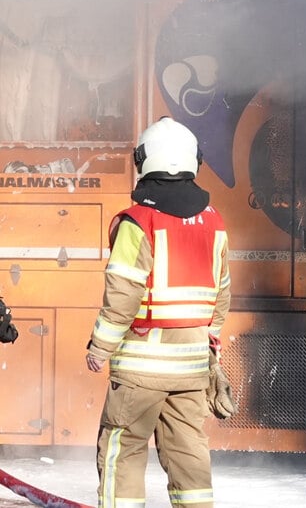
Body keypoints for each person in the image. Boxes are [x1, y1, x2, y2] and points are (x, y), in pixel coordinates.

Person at [86, 117, 231, 508]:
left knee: (124, 449)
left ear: (143, 161)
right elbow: (222, 294)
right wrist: (209, 342)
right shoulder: (214, 221)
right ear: (193, 161)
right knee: (188, 454)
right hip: (191, 369)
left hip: (140, 368)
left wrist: (100, 347)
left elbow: (123, 293)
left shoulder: (139, 221)